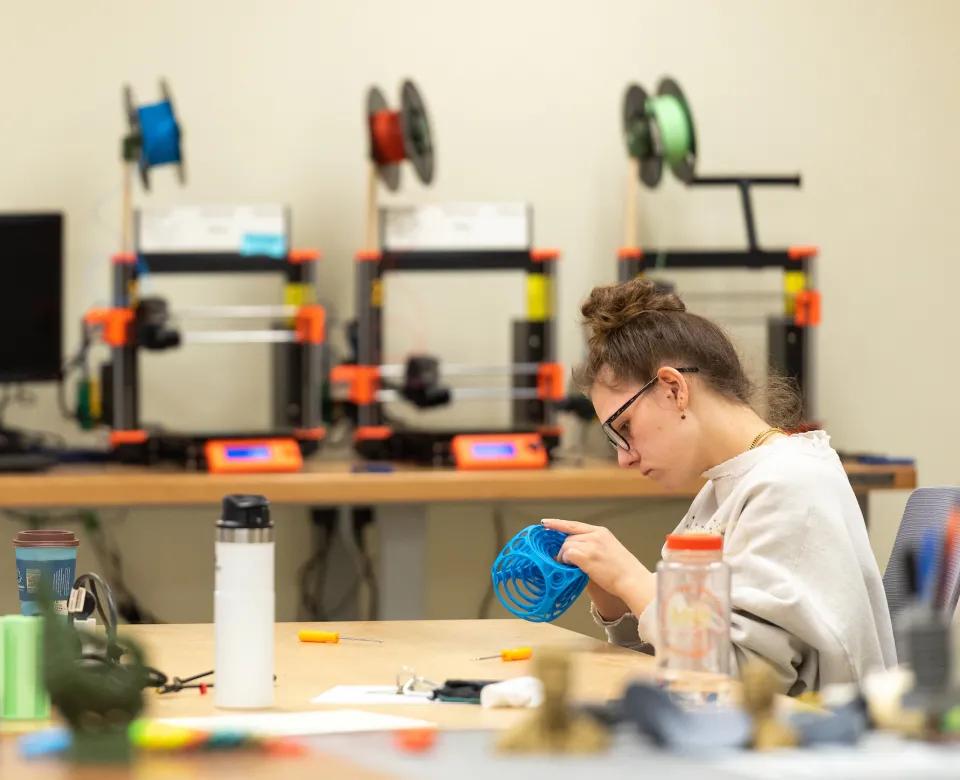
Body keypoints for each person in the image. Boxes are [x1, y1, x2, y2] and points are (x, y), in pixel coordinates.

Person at [544, 277, 896, 696]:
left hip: (805, 744)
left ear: (674, 389)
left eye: (625, 428)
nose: (625, 457)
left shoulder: (790, 484)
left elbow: (741, 679)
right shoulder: (726, 489)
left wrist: (631, 580)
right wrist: (617, 605)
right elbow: (681, 662)